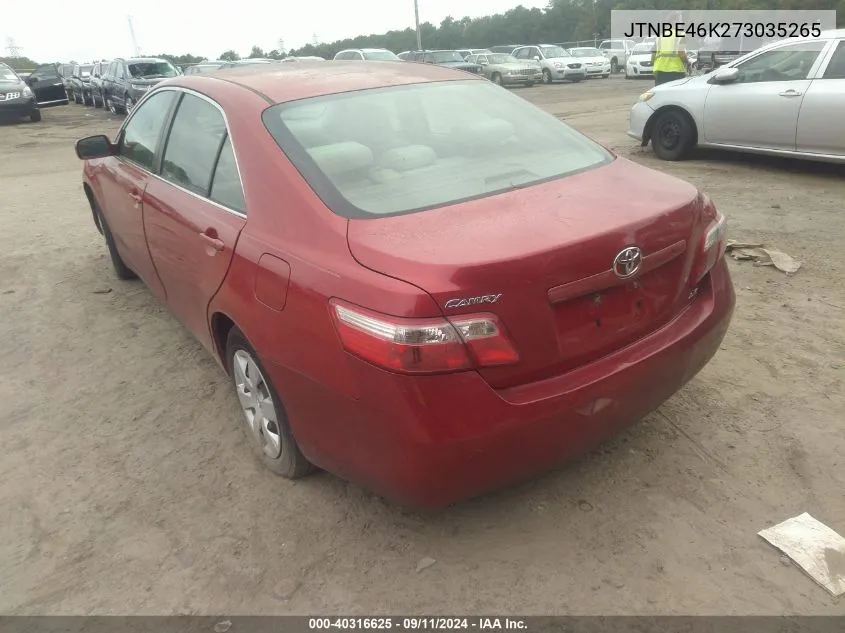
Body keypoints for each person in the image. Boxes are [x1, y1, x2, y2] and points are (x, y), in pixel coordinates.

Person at [652, 11, 688, 85]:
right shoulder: (680, 34)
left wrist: (655, 65)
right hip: (675, 72)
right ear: (674, 21)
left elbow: (653, 56)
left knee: (661, 95)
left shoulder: (660, 36)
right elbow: (681, 54)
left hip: (660, 72)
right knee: (675, 95)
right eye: (680, 20)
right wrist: (688, 63)